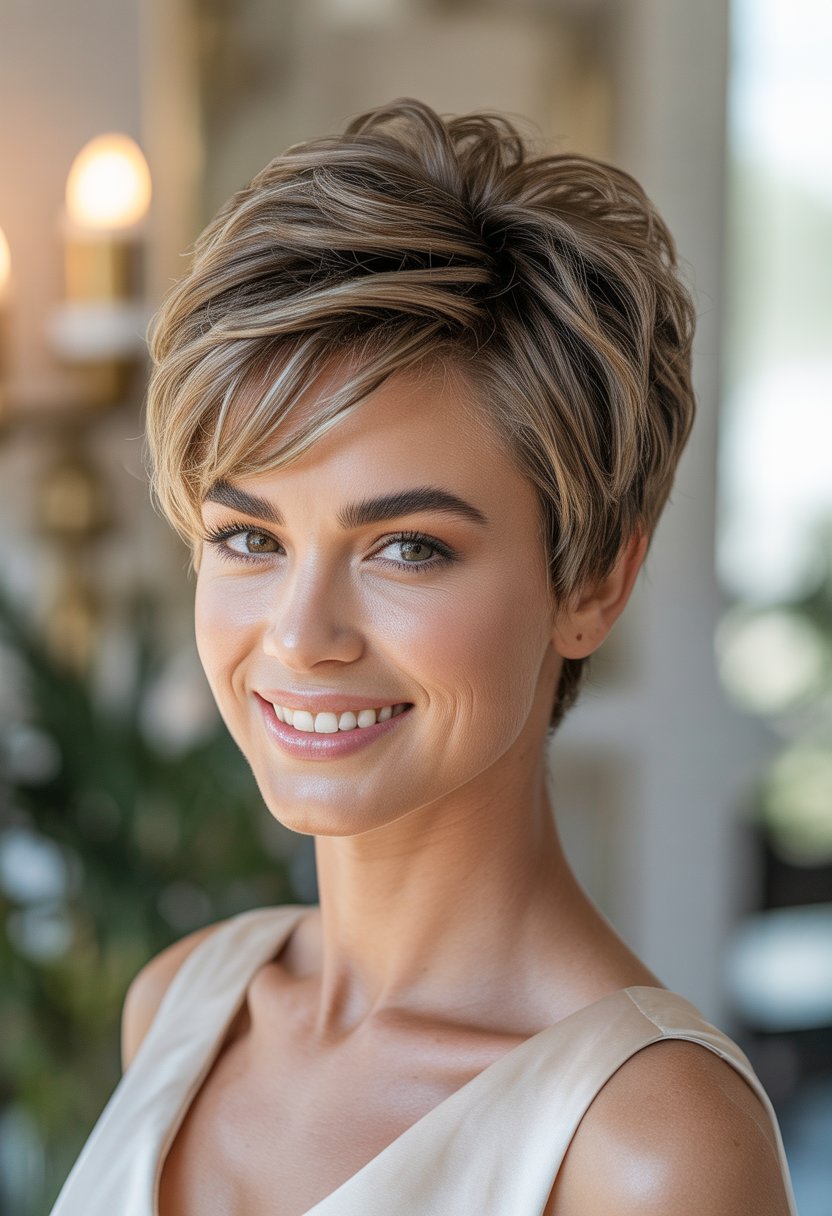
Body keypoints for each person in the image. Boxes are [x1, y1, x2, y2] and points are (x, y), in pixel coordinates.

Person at [50, 99, 797, 1215]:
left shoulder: (649, 1146)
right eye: (250, 537)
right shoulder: (182, 1004)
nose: (301, 633)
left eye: (407, 547)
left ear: (592, 582)